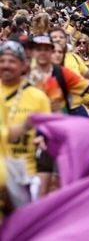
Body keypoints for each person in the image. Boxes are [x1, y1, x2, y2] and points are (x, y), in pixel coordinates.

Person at [0, 41, 51, 199]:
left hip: (27, 176)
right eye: (2, 61)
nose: (6, 65)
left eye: (12, 61)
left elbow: (48, 136)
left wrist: (42, 137)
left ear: (23, 66)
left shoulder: (38, 97)